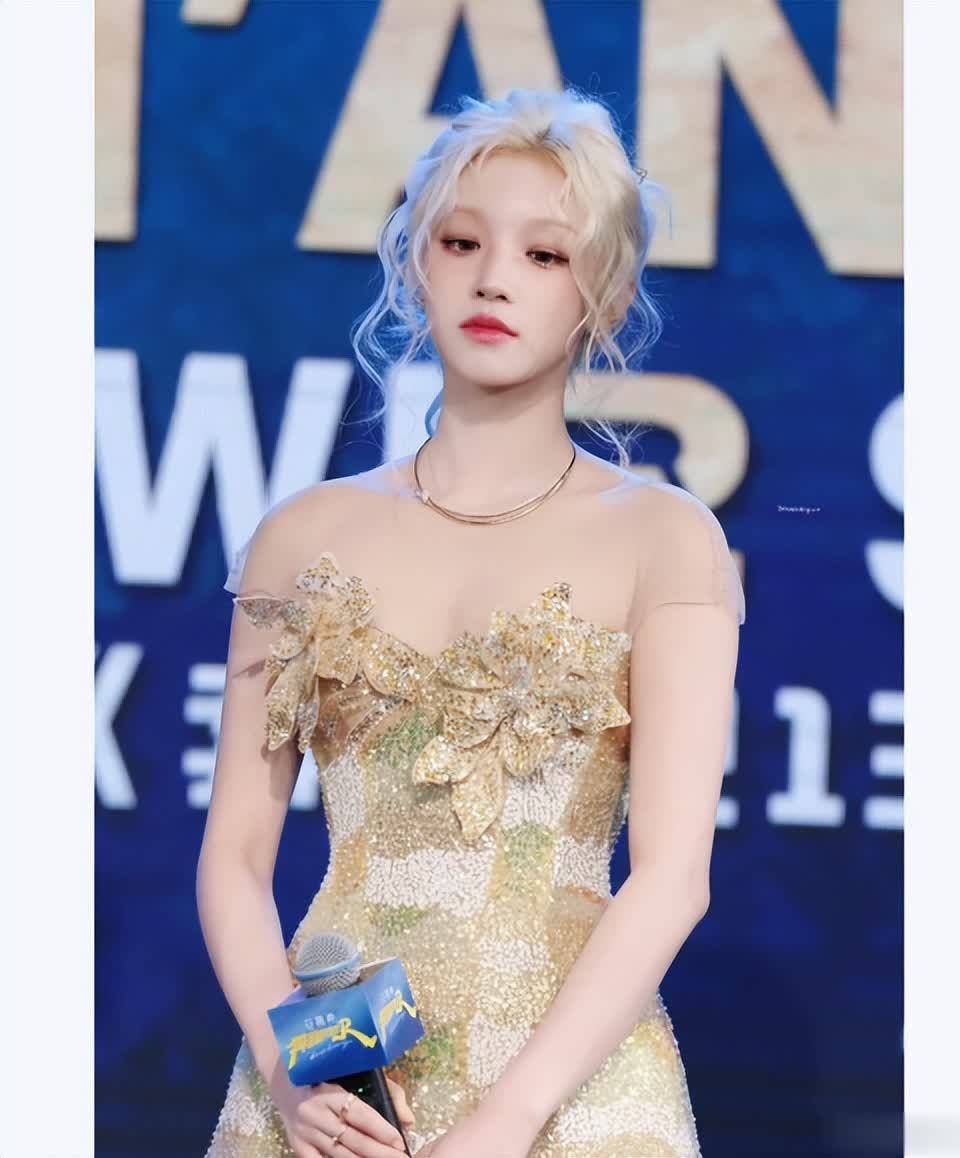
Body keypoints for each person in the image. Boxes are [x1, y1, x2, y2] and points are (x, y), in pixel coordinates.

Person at [197, 86, 745, 1158]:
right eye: (461, 242)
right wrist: (289, 1069)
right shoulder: (302, 535)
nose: (494, 278)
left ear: (604, 295)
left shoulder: (665, 537)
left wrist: (509, 1118)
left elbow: (673, 877)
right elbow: (234, 857)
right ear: (417, 263)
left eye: (544, 255)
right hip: (340, 1086)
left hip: (575, 1096)